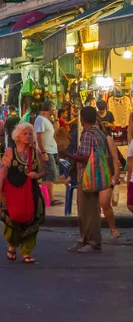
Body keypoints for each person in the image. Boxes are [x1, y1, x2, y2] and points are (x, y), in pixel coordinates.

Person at [0, 121, 45, 263]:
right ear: (17, 136)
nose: (28, 136)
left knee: (33, 218)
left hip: (31, 190)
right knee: (11, 219)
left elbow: (42, 170)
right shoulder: (11, 151)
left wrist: (37, 175)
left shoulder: (36, 153)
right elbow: (3, 171)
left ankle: (26, 252)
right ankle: (12, 246)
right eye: (25, 133)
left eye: (30, 133)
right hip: (12, 191)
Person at [63, 107, 110, 254]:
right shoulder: (100, 133)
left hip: (87, 175)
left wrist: (67, 154)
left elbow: (84, 157)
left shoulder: (88, 134)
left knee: (88, 211)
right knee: (88, 209)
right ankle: (84, 239)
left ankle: (92, 241)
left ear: (82, 119)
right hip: (95, 175)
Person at [33, 99, 62, 207]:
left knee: (48, 174)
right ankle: (50, 198)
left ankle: (46, 197)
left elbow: (56, 131)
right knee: (51, 174)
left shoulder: (47, 120)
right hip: (47, 151)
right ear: (50, 108)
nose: (55, 111)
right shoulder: (40, 120)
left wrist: (56, 118)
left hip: (51, 150)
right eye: (54, 109)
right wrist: (43, 151)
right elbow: (39, 136)